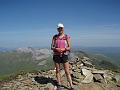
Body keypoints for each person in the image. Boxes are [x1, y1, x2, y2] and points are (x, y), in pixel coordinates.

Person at [51, 23, 74, 90]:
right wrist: (56, 49)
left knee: (67, 71)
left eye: (61, 28)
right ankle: (59, 85)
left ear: (63, 29)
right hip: (56, 55)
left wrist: (64, 49)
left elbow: (69, 47)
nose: (60, 29)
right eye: (59, 28)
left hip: (64, 55)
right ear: (57, 29)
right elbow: (51, 47)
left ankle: (71, 86)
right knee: (57, 70)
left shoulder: (66, 37)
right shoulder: (54, 37)